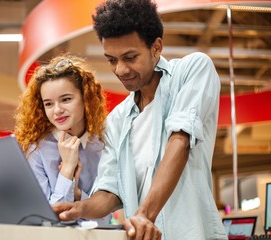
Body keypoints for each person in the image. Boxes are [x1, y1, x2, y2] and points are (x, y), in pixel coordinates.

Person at [52, 0, 228, 239]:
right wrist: (80, 208)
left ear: (156, 47)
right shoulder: (117, 120)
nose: (120, 70)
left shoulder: (192, 71)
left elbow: (180, 141)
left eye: (130, 57)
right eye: (112, 60)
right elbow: (110, 192)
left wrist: (145, 214)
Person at [14, 54, 110, 222]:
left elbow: (105, 217)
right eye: (49, 103)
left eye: (66, 99)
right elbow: (47, 219)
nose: (57, 110)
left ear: (85, 98)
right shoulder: (35, 150)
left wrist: (78, 195)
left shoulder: (103, 146)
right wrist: (67, 170)